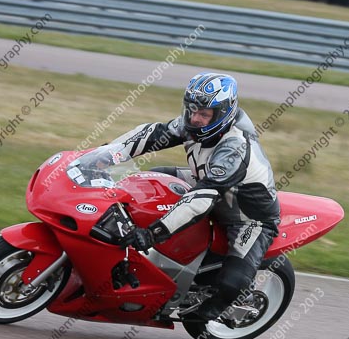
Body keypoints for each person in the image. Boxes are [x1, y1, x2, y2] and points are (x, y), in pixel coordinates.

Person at [104, 72, 280, 324]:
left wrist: (153, 233)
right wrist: (106, 153)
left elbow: (201, 198)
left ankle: (211, 312)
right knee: (147, 179)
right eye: (192, 110)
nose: (195, 118)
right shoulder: (195, 123)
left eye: (204, 114)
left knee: (232, 283)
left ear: (223, 113)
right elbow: (152, 134)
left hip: (246, 216)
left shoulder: (235, 148)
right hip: (207, 182)